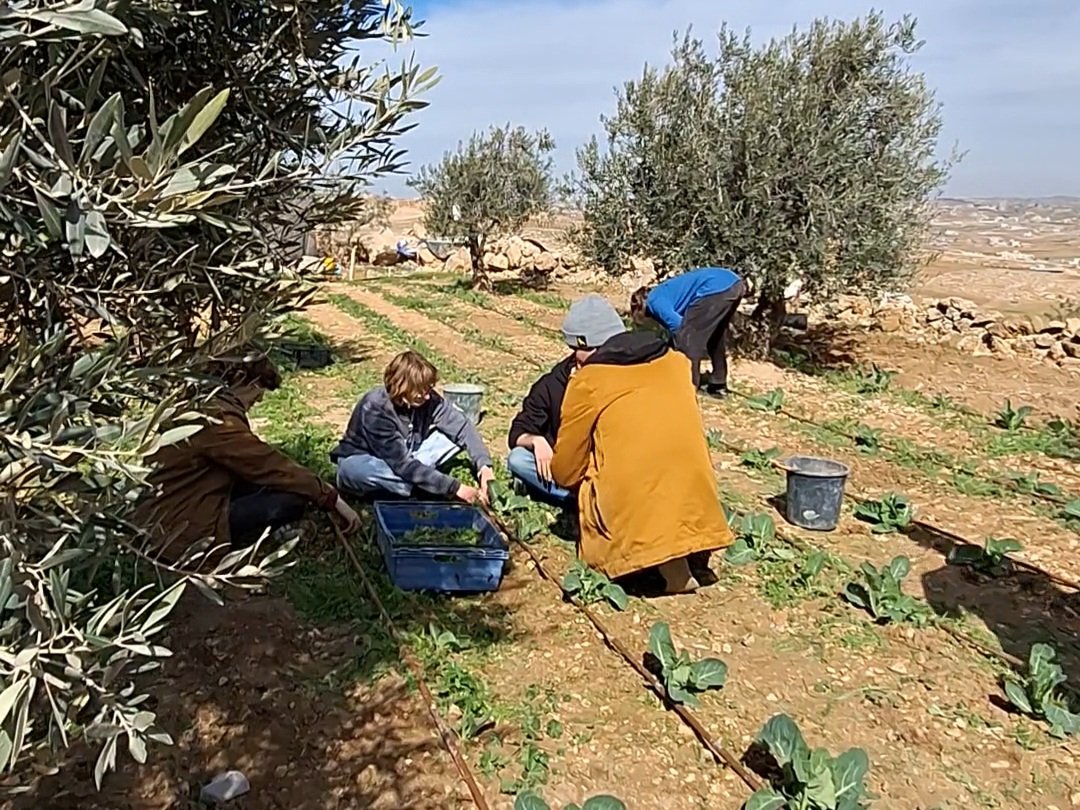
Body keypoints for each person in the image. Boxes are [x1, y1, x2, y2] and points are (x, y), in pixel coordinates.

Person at [550, 294, 734, 593]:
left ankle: (661, 565)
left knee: (596, 469)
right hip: (696, 493)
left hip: (637, 501)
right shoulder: (676, 362)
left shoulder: (590, 381)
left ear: (586, 344)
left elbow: (566, 469)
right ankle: (684, 551)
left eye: (575, 349)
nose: (573, 358)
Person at [138, 350, 362, 561]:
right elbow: (268, 465)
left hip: (169, 506)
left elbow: (258, 460)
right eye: (258, 393)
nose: (259, 400)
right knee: (291, 499)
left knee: (283, 484)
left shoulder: (196, 402)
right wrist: (332, 498)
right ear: (247, 382)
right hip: (179, 525)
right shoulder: (217, 420)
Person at [332, 350, 495, 504]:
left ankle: (413, 485)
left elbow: (463, 427)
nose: (427, 396)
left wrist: (484, 468)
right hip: (373, 460)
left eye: (428, 389)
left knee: (458, 429)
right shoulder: (375, 408)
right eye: (420, 391)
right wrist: (455, 488)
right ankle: (421, 488)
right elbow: (401, 463)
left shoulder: (428, 399)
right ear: (402, 388)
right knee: (354, 470)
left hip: (410, 455)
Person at [630, 266, 747, 398]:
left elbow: (680, 328)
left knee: (689, 340)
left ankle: (687, 387)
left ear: (641, 308)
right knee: (715, 337)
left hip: (714, 288)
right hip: (733, 283)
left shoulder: (653, 301)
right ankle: (718, 385)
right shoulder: (664, 292)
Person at [506, 351, 580, 506]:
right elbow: (517, 431)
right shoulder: (551, 385)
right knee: (518, 458)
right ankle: (573, 497)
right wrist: (535, 441)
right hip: (561, 467)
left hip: (597, 468)